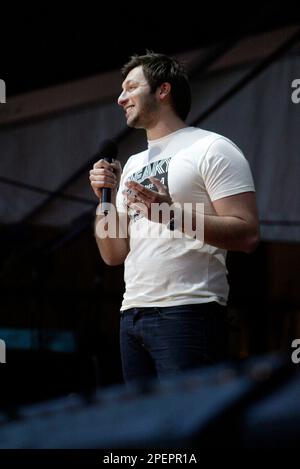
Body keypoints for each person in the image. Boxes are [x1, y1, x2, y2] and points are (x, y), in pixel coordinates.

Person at [89, 51, 260, 384]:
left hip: (190, 310)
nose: (120, 98)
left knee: (184, 430)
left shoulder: (211, 148)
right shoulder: (133, 165)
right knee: (147, 431)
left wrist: (170, 214)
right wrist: (103, 202)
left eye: (130, 87)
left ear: (162, 90)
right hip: (132, 314)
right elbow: (113, 255)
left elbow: (247, 234)